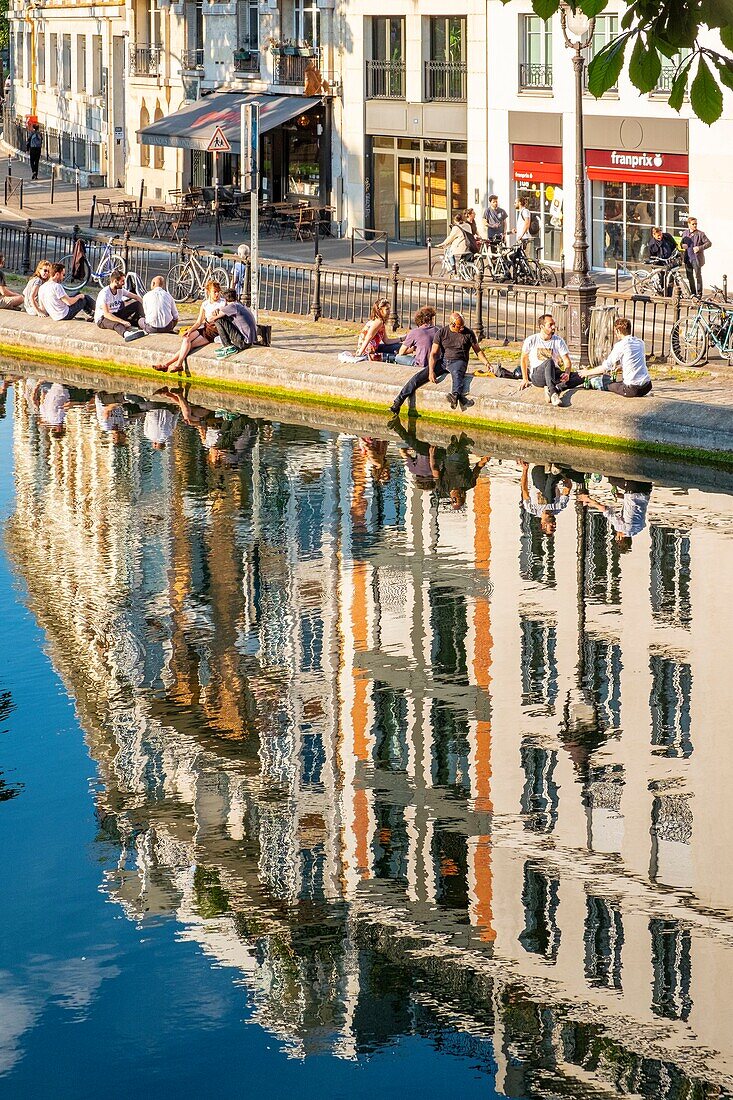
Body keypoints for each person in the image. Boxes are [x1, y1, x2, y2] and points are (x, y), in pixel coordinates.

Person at [154, 280, 224, 373]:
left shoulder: (223, 302)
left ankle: (171, 364)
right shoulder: (205, 304)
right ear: (208, 292)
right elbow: (199, 322)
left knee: (190, 346)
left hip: (213, 332)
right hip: (205, 328)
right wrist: (190, 330)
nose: (217, 294)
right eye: (214, 292)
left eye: (218, 292)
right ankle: (171, 365)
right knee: (186, 339)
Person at [429, 311, 493, 410]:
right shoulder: (442, 332)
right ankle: (460, 399)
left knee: (457, 374)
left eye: (463, 325)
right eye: (459, 326)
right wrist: (430, 371)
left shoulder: (468, 333)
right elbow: (433, 353)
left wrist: (486, 363)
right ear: (453, 325)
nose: (462, 328)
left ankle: (454, 396)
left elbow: (478, 350)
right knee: (419, 377)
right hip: (444, 361)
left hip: (459, 360)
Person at [520, 313, 582, 407]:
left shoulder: (558, 341)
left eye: (554, 324)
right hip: (538, 374)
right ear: (542, 326)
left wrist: (567, 373)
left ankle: (554, 388)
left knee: (581, 375)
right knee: (549, 361)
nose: (553, 327)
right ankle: (553, 394)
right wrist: (525, 378)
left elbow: (566, 360)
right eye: (550, 325)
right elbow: (523, 359)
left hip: (553, 373)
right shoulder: (532, 340)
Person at [580, 317, 652, 397]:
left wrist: (587, 372)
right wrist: (621, 366)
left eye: (615, 332)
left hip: (632, 389)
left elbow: (606, 367)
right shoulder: (640, 342)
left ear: (618, 331)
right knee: (616, 381)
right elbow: (635, 360)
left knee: (606, 383)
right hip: (647, 386)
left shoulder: (621, 345)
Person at [388, 306, 439, 415]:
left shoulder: (415, 332)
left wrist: (411, 350)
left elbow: (401, 352)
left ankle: (387, 359)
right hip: (435, 363)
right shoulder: (437, 330)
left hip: (419, 364)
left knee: (397, 357)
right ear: (430, 319)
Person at [578, 478, 652, 552]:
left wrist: (623, 497)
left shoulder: (640, 528)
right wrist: (588, 499)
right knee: (612, 479)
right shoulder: (621, 528)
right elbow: (605, 509)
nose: (616, 534)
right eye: (616, 537)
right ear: (620, 539)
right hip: (633, 489)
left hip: (646, 492)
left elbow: (635, 508)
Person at [520, 460, 573, 538]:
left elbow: (524, 489)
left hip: (538, 474)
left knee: (549, 500)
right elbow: (568, 488)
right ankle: (555, 472)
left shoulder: (531, 509)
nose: (554, 525)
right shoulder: (559, 506)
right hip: (555, 479)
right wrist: (565, 477)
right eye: (555, 527)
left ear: (543, 526)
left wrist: (525, 469)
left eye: (552, 527)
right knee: (579, 479)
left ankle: (554, 473)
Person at [94, 271, 145, 339]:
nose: (124, 283)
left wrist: (146, 306)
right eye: (122, 281)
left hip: (116, 314)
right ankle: (126, 334)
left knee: (137, 304)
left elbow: (136, 297)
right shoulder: (104, 293)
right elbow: (107, 314)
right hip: (103, 319)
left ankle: (138, 322)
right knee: (117, 323)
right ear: (115, 281)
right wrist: (122, 321)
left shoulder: (120, 290)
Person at [215, 288, 257, 358]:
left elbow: (213, 318)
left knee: (219, 320)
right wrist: (219, 309)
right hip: (249, 341)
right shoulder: (239, 305)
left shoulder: (232, 306)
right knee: (226, 317)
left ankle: (228, 346)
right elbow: (222, 310)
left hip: (243, 343)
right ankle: (227, 344)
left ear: (225, 300)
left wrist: (208, 318)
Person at [680, 216, 711, 299]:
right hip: (687, 258)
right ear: (689, 224)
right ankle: (693, 293)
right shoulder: (685, 233)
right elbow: (681, 243)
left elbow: (709, 243)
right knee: (690, 277)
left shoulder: (700, 234)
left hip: (696, 259)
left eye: (696, 224)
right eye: (693, 224)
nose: (695, 225)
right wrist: (682, 246)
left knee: (698, 276)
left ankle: (699, 294)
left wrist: (699, 248)